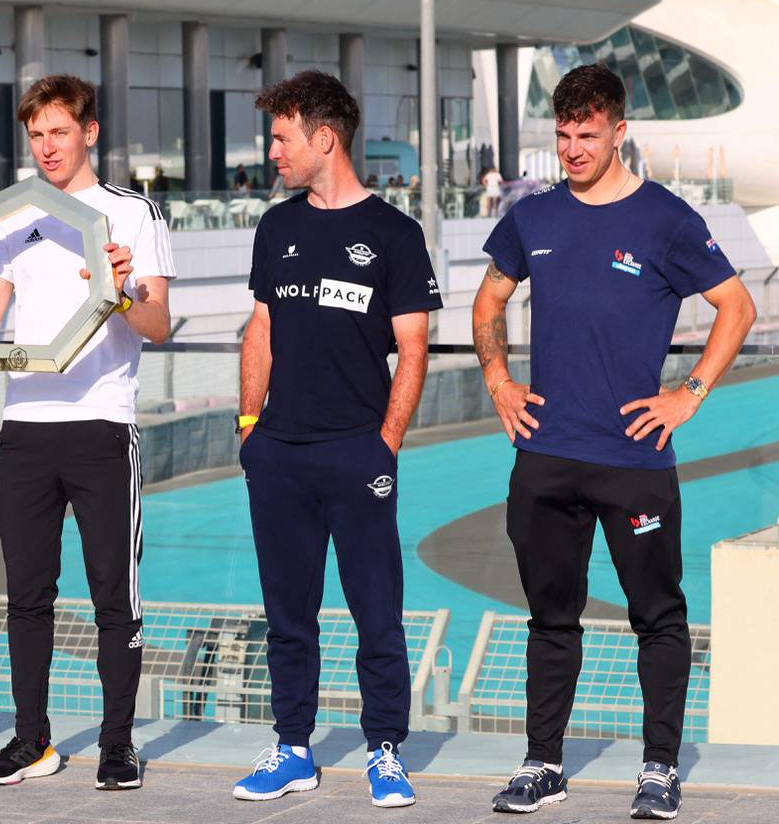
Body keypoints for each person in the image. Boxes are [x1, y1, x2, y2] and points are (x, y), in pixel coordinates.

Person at [473, 64, 755, 819]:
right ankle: (544, 763)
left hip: (634, 460)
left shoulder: (665, 219)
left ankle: (659, 767)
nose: (572, 149)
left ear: (619, 131)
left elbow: (737, 306)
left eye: (586, 135)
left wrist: (688, 395)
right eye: (562, 136)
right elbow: (489, 298)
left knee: (658, 617)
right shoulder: (533, 217)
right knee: (549, 617)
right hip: (546, 456)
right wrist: (499, 380)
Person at [0, 75, 175, 790]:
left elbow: (157, 323)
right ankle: (31, 739)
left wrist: (124, 289)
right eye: (37, 135)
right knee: (26, 596)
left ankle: (118, 743)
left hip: (103, 423)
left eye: (60, 131)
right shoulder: (11, 215)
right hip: (26, 427)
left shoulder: (132, 215)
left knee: (113, 597)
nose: (47, 146)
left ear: (89, 133)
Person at [233, 70, 440, 808]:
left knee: (375, 609)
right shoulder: (277, 226)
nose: (274, 152)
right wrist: (249, 428)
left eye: (283, 137)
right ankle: (293, 749)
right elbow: (259, 329)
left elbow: (413, 350)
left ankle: (384, 749)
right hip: (278, 453)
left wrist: (384, 442)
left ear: (325, 139)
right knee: (287, 614)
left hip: (358, 450)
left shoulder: (394, 234)